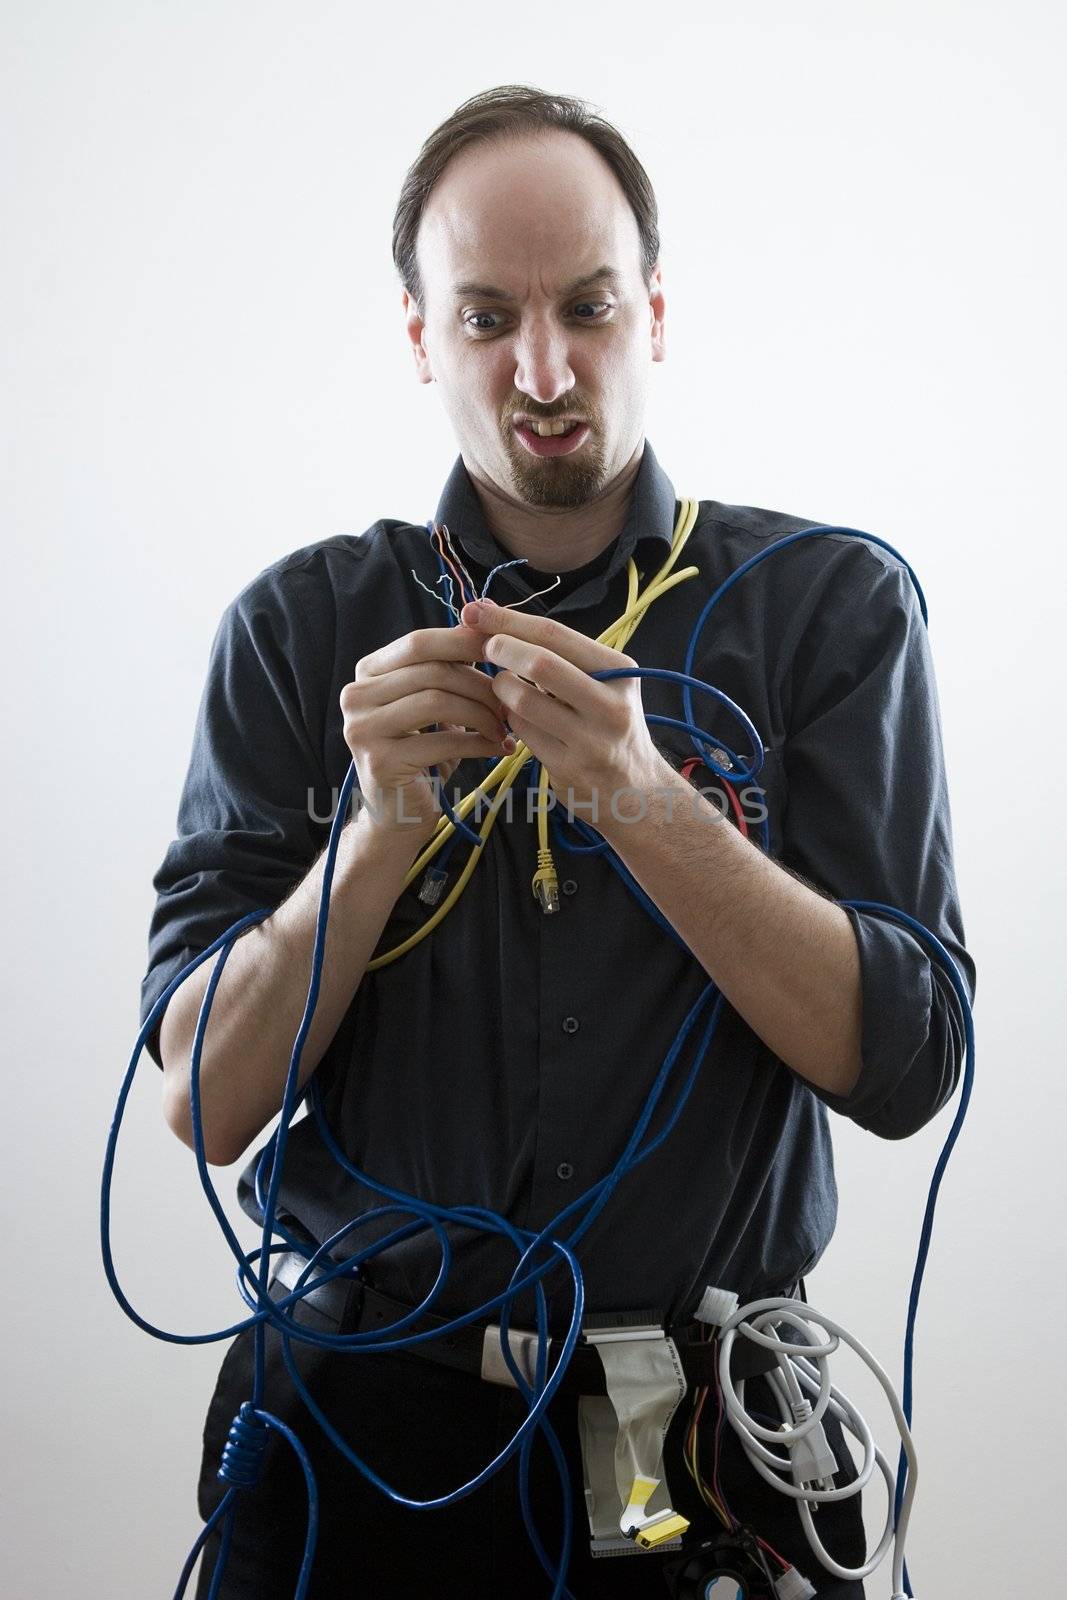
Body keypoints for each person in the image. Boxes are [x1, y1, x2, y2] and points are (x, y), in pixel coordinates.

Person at [140, 85, 975, 1599]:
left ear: (653, 310)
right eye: (484, 319)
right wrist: (374, 836)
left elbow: (911, 1068)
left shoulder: (831, 611)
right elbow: (203, 1100)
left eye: (588, 307)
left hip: (706, 1439)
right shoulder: (299, 630)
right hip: (353, 1437)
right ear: (417, 338)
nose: (543, 368)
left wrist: (649, 802)